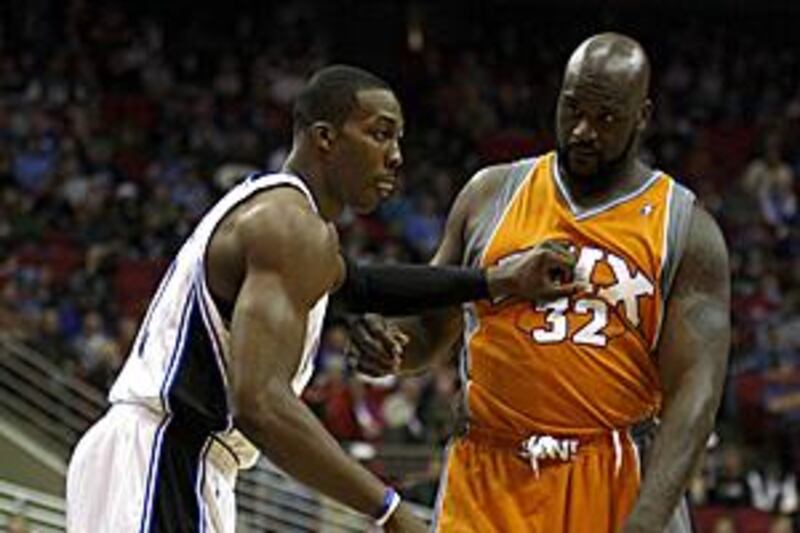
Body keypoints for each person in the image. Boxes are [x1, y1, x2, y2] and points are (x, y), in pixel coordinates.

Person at [65, 65, 579, 533]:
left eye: (398, 138)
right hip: (163, 457)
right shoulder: (289, 226)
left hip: (178, 459)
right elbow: (260, 403)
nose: (396, 156)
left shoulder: (291, 218)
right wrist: (391, 511)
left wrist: (496, 281)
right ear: (325, 138)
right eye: (379, 133)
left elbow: (365, 285)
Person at [350, 33, 731, 532]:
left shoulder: (685, 228)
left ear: (643, 115)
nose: (581, 131)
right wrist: (391, 347)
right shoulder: (490, 194)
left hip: (612, 470)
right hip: (488, 468)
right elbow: (432, 334)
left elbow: (694, 396)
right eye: (571, 109)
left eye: (606, 118)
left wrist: (646, 521)